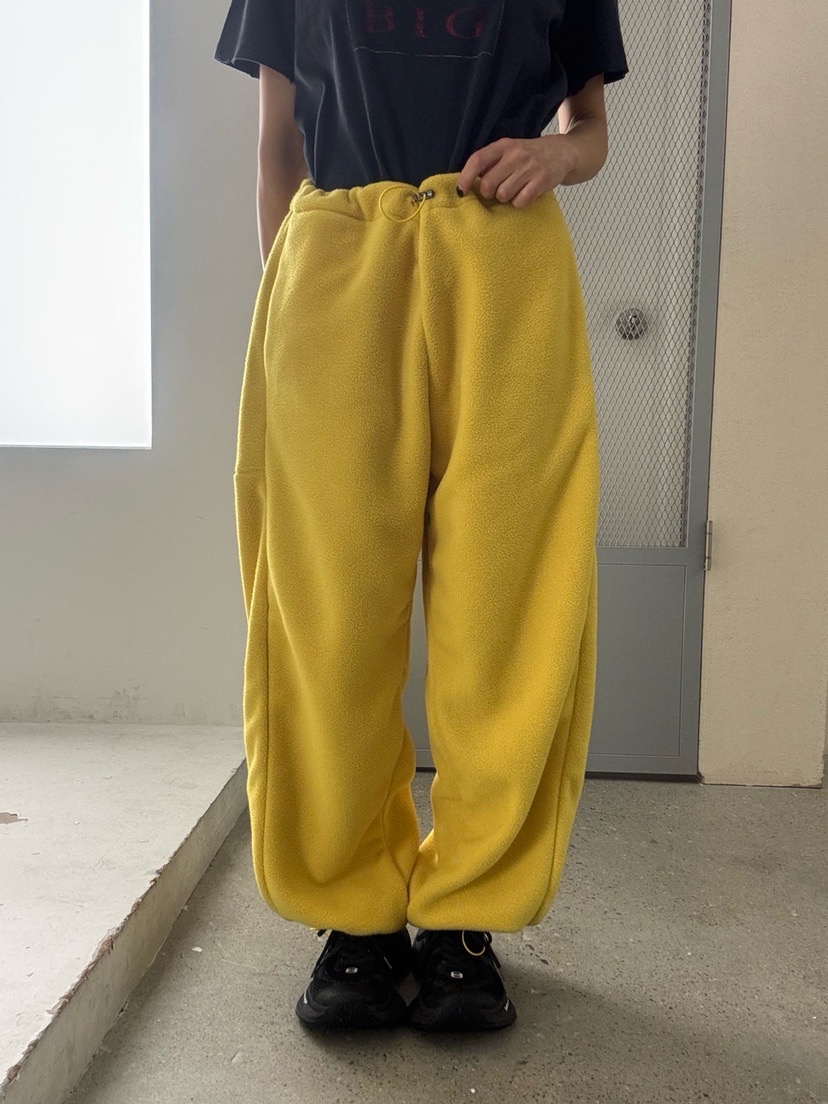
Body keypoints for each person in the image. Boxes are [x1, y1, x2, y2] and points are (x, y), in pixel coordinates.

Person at [214, 0, 628, 1034]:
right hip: (335, 268)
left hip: (505, 269)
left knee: (509, 605)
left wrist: (554, 157)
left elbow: (590, 131)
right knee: (328, 614)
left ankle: (467, 916)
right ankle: (352, 913)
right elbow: (278, 146)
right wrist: (293, 312)